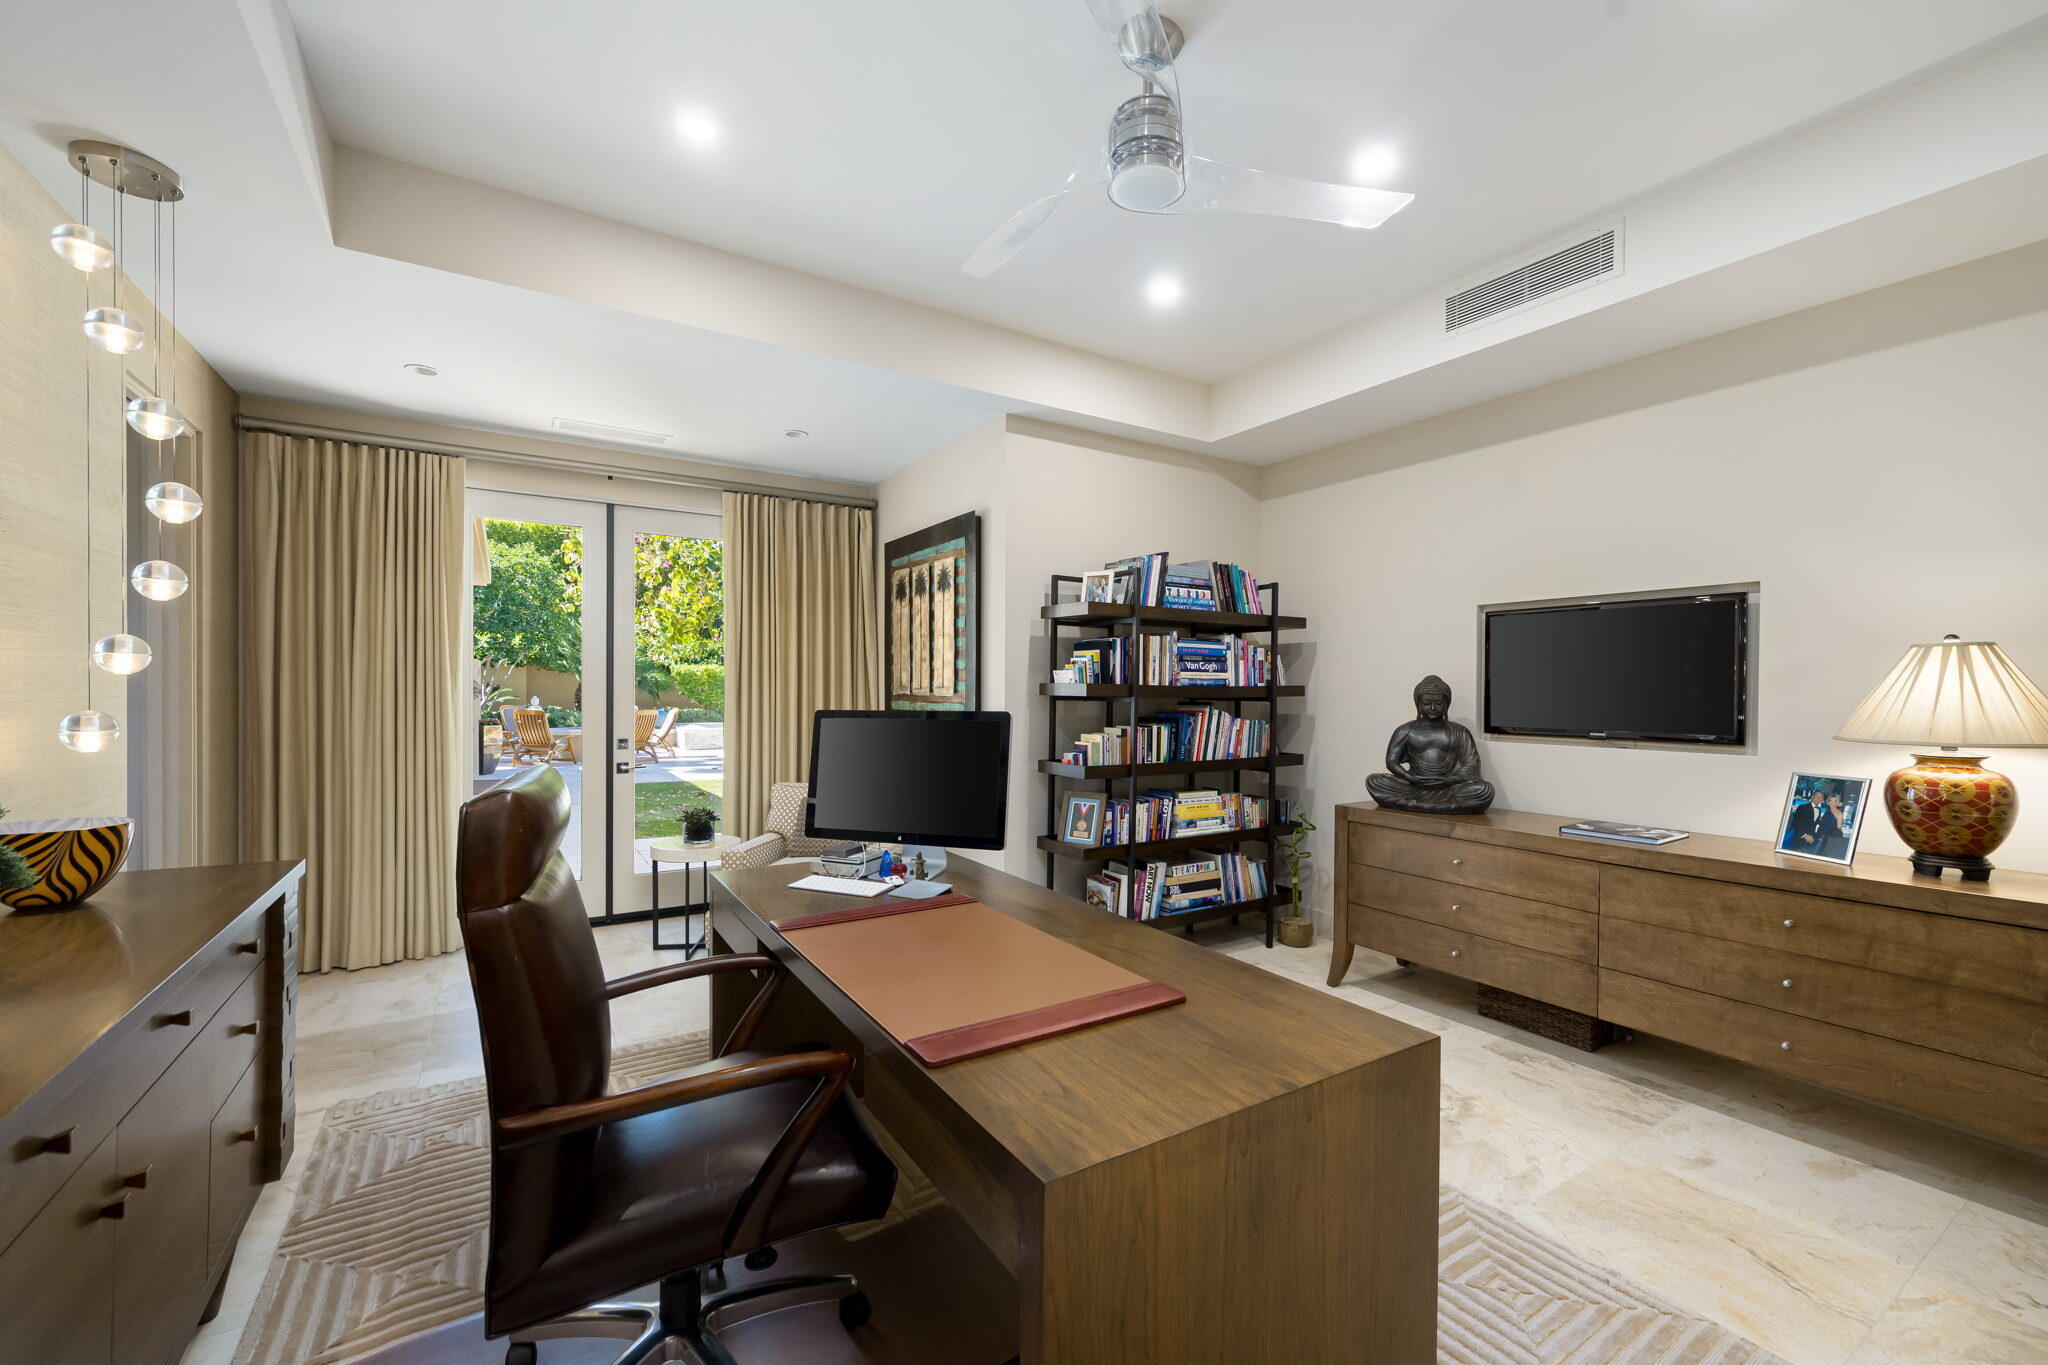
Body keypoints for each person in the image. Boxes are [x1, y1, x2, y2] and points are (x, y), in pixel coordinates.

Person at [1783, 785, 1830, 853]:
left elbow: (1814, 821)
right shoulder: (1802, 807)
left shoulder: (1819, 810)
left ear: (1822, 800)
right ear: (1812, 797)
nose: (1818, 799)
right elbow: (1795, 823)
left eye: (1820, 797)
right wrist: (1804, 835)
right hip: (1798, 837)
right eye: (1816, 796)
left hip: (1809, 839)